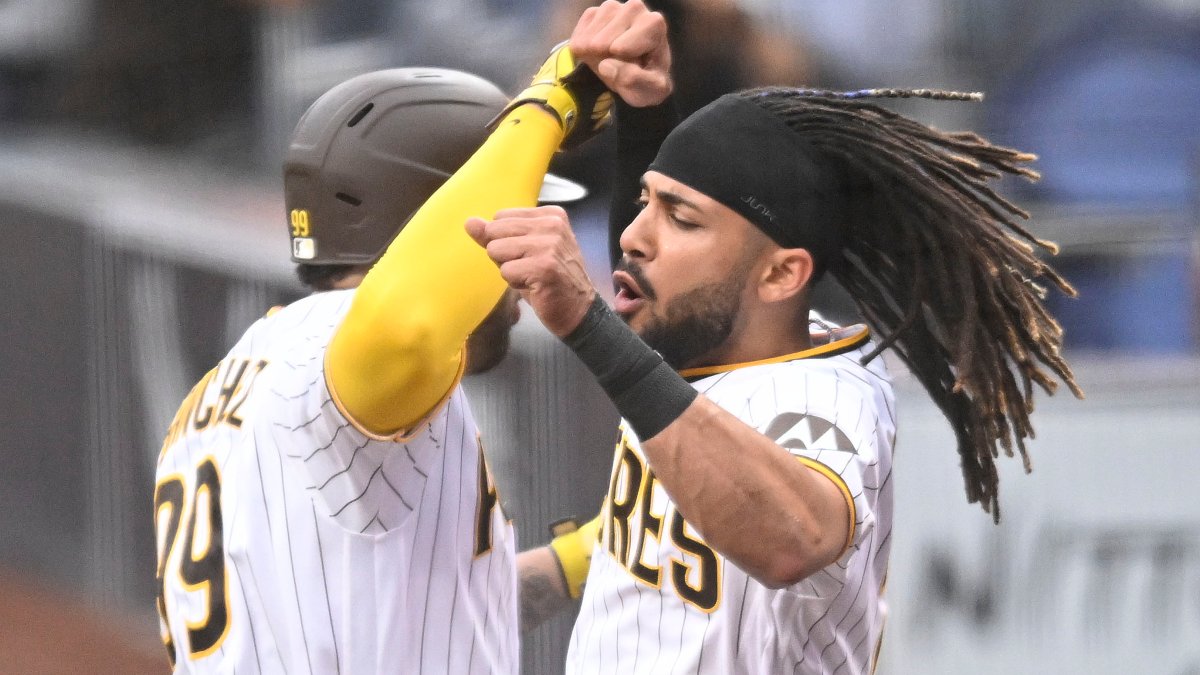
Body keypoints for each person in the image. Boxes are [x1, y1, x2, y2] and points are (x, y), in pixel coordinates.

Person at [467, 84, 1083, 671]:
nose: (631, 236)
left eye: (680, 219)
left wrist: (587, 322)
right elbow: (667, 334)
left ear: (781, 276)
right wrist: (644, 108)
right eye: (642, 203)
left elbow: (792, 540)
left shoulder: (827, 398)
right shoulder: (708, 340)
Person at [151, 2, 674, 671]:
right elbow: (408, 323)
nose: (520, 260)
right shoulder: (339, 350)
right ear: (431, 223)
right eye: (508, 212)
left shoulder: (245, 377)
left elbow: (433, 615)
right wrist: (550, 100)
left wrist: (593, 548)